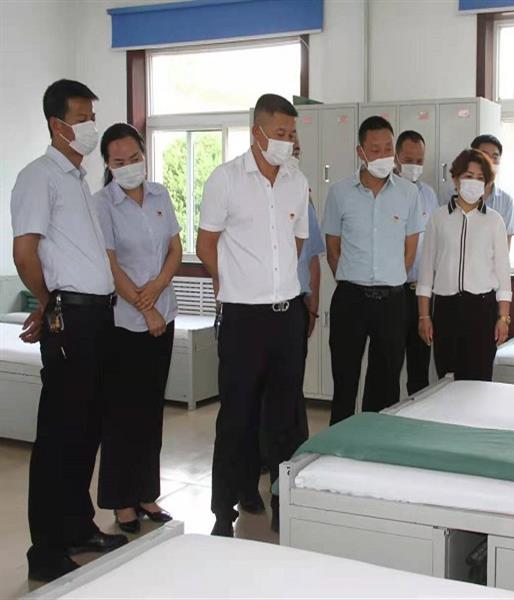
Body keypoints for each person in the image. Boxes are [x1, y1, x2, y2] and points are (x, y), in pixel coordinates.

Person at [10, 79, 127, 582]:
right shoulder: (39, 177)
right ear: (57, 124)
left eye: (92, 116)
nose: (90, 126)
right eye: (82, 117)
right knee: (59, 433)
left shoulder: (79, 178)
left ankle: (77, 526)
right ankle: (45, 549)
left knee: (87, 427)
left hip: (97, 315)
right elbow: (25, 252)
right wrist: (48, 302)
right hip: (71, 317)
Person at [196, 93, 309, 537]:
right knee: (237, 418)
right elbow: (206, 245)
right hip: (243, 319)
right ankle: (223, 513)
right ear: (256, 132)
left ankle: (283, 504)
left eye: (292, 133)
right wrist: (232, 285)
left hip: (287, 316)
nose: (287, 141)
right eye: (280, 133)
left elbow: (296, 241)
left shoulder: (297, 180)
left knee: (285, 420)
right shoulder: (225, 179)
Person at [95, 123, 181, 534]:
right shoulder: (102, 204)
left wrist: (159, 288)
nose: (129, 166)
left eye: (134, 158)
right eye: (119, 161)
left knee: (151, 411)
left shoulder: (160, 194)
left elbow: (175, 248)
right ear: (107, 165)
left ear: (144, 155)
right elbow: (110, 265)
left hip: (164, 313)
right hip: (125, 323)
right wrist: (145, 310)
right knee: (122, 414)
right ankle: (121, 501)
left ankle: (147, 493)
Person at [322, 116, 424, 425]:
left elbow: (409, 251)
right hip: (350, 299)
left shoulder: (408, 193)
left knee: (386, 384)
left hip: (392, 302)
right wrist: (353, 277)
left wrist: (388, 278)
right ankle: (339, 444)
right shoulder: (340, 192)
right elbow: (332, 248)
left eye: (388, 149)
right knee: (345, 380)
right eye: (375, 150)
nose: (383, 156)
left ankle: (374, 442)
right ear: (361, 152)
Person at [251, 138, 321, 532]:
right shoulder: (247, 194)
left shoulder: (302, 195)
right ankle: (252, 478)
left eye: (295, 149)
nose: (289, 155)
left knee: (289, 401)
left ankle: (287, 483)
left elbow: (311, 260)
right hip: (256, 310)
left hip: (293, 307)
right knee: (253, 402)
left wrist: (312, 305)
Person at [417, 148, 512, 381]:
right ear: (455, 179)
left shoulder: (494, 221)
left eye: (480, 178)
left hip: (482, 309)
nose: (474, 182)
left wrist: (503, 318)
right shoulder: (439, 218)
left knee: (479, 379)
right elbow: (426, 271)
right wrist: (424, 316)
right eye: (469, 176)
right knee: (447, 378)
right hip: (446, 308)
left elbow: (503, 273)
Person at [395, 130, 439, 395]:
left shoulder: (429, 194)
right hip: (394, 292)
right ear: (396, 157)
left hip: (422, 293)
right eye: (408, 160)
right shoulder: (388, 192)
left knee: (419, 367)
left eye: (419, 161)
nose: (414, 166)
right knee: (389, 364)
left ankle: (415, 415)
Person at [438, 134, 514, 246]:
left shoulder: (506, 201)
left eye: (495, 157)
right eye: (484, 155)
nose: (490, 161)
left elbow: (505, 244)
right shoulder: (448, 197)